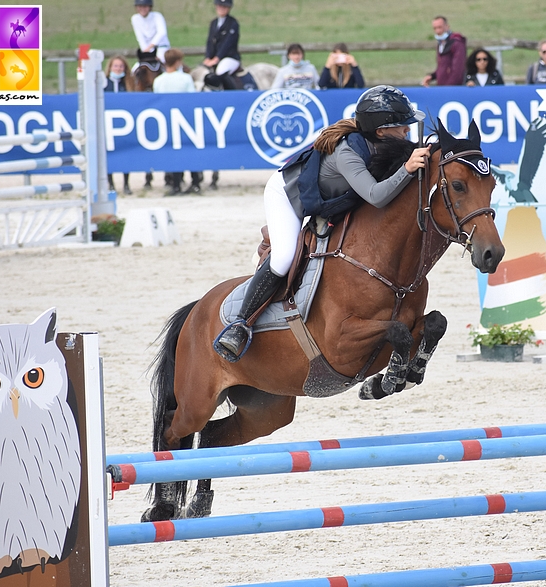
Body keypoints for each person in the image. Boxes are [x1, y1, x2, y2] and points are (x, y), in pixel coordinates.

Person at [216, 85, 432, 360]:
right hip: (287, 195)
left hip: (333, 198)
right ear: (381, 131)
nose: (408, 132)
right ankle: (241, 323)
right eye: (403, 127)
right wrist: (407, 168)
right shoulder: (347, 152)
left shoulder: (383, 143)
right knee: (284, 258)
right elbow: (376, 196)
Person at [153, 49, 203, 195]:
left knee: (173, 152)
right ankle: (195, 182)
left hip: (167, 120)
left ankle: (176, 184)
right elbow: (191, 98)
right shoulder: (185, 79)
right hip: (185, 119)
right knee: (190, 151)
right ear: (177, 62)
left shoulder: (159, 80)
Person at [104, 56, 133, 195]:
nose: (118, 69)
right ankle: (111, 184)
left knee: (126, 155)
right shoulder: (103, 83)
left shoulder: (128, 84)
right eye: (116, 66)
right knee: (109, 154)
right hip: (107, 123)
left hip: (124, 123)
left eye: (121, 67)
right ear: (110, 68)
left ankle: (126, 184)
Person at [202, 0, 240, 91]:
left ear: (229, 8)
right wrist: (208, 57)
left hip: (230, 57)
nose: (221, 9)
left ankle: (231, 93)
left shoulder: (233, 23)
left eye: (224, 7)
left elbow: (228, 44)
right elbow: (210, 42)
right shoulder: (214, 23)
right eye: (220, 6)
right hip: (214, 58)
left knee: (221, 71)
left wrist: (217, 58)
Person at [422, 16, 466, 87]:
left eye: (440, 27)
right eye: (435, 28)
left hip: (451, 88)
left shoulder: (456, 43)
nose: (437, 31)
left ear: (447, 27)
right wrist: (432, 76)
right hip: (442, 87)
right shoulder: (441, 44)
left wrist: (447, 88)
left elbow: (458, 70)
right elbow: (443, 67)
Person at [130, 0, 170, 65]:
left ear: (149, 7)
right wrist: (145, 51)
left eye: (145, 6)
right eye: (140, 6)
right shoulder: (135, 19)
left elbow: (162, 33)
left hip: (161, 47)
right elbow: (140, 37)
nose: (142, 9)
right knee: (136, 68)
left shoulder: (157, 16)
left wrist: (150, 47)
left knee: (164, 63)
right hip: (147, 50)